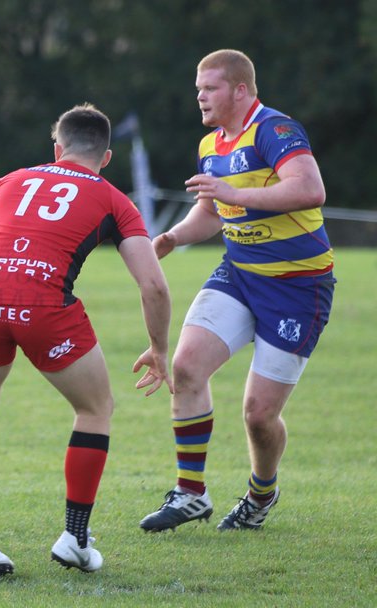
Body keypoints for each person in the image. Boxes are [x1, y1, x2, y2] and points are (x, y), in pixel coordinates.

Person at [0, 104, 172, 575]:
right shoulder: (112, 198)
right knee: (95, 409)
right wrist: (159, 347)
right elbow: (155, 286)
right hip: (44, 306)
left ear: (56, 148)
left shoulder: (10, 180)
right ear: (105, 158)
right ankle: (75, 538)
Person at [139, 49, 333, 533]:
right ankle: (190, 493)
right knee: (185, 367)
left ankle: (261, 494)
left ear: (240, 90)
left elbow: (309, 189)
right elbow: (211, 212)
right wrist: (172, 237)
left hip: (297, 286)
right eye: (198, 88)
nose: (200, 96)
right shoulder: (210, 146)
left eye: (210, 88)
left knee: (258, 416)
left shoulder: (275, 129)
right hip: (240, 275)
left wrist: (235, 194)